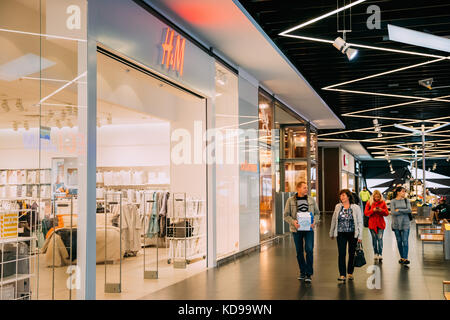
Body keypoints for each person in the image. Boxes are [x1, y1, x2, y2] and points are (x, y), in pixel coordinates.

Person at [284, 181, 320, 283]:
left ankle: (309, 273)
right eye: (304, 187)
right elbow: (286, 215)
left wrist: (314, 221)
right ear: (298, 189)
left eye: (306, 187)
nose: (306, 189)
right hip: (296, 230)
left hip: (309, 229)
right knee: (299, 251)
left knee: (309, 249)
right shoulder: (290, 200)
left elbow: (317, 213)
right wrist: (293, 222)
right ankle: (302, 271)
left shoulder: (311, 199)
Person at [329, 189, 363, 282]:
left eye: (343, 195)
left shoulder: (355, 207)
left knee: (352, 253)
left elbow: (360, 222)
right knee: (341, 254)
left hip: (353, 234)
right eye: (340, 196)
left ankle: (350, 273)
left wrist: (360, 236)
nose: (341, 197)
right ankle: (342, 274)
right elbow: (334, 220)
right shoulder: (338, 207)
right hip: (340, 233)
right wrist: (332, 232)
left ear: (348, 196)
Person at [364, 190, 389, 262]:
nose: (377, 198)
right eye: (375, 197)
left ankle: (380, 254)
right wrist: (373, 210)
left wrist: (381, 210)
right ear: (373, 197)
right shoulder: (369, 203)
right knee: (374, 239)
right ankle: (375, 253)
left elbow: (387, 213)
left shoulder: (383, 203)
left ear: (380, 197)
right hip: (372, 224)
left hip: (381, 223)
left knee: (380, 239)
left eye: (378, 197)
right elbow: (366, 213)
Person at [390, 186, 412, 265]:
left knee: (405, 241)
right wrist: (404, 211)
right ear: (398, 192)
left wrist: (399, 210)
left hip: (405, 223)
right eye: (403, 191)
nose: (404, 193)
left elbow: (409, 210)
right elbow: (393, 212)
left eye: (404, 191)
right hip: (396, 224)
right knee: (399, 241)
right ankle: (402, 257)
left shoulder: (407, 200)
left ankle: (405, 258)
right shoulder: (393, 201)